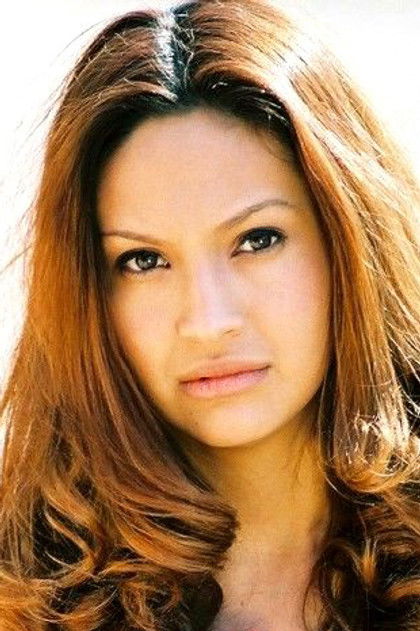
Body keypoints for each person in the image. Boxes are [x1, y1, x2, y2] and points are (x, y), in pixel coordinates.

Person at [0, 1, 418, 630]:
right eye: (144, 260)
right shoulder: (27, 603)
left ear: (351, 239)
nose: (207, 320)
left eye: (257, 239)